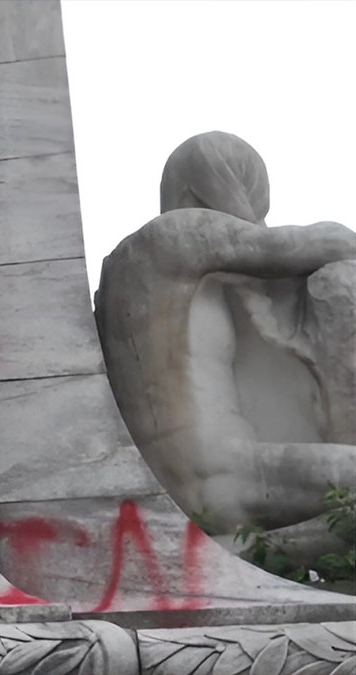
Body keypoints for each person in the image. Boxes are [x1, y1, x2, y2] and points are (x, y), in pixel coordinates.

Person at [96, 131, 356, 537]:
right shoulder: (180, 233)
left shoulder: (116, 274)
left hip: (174, 486)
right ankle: (280, 552)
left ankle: (264, 552)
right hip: (231, 472)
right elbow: (328, 242)